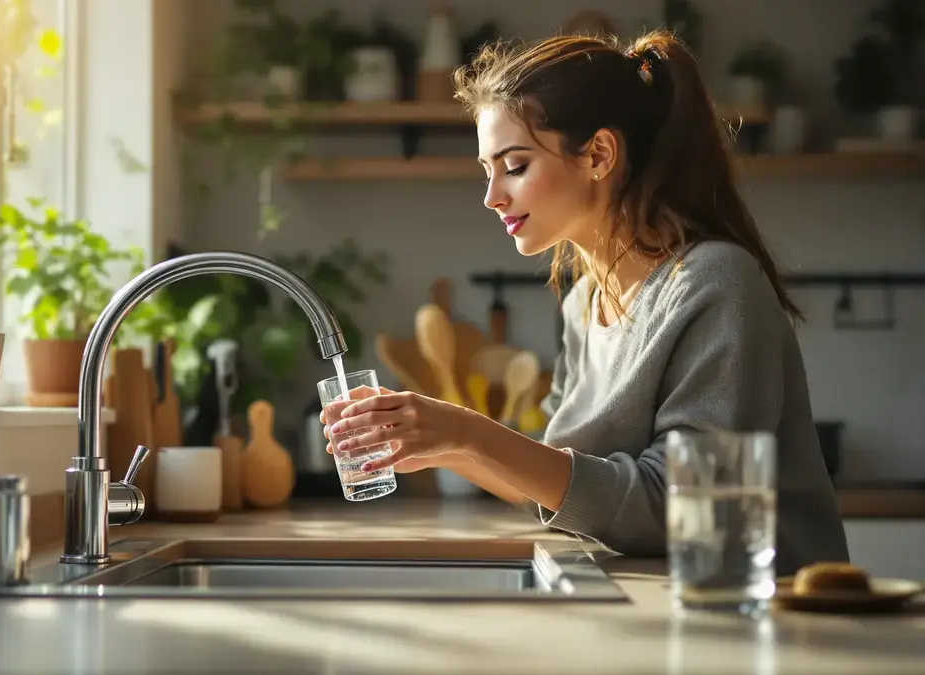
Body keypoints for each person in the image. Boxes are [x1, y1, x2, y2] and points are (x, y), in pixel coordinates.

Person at [321, 29, 850, 576]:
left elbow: (681, 507)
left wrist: (466, 432)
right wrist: (434, 444)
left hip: (767, 623)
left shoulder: (716, 283)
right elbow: (558, 496)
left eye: (516, 165)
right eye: (487, 170)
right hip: (659, 609)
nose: (492, 195)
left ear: (598, 154)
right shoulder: (583, 304)